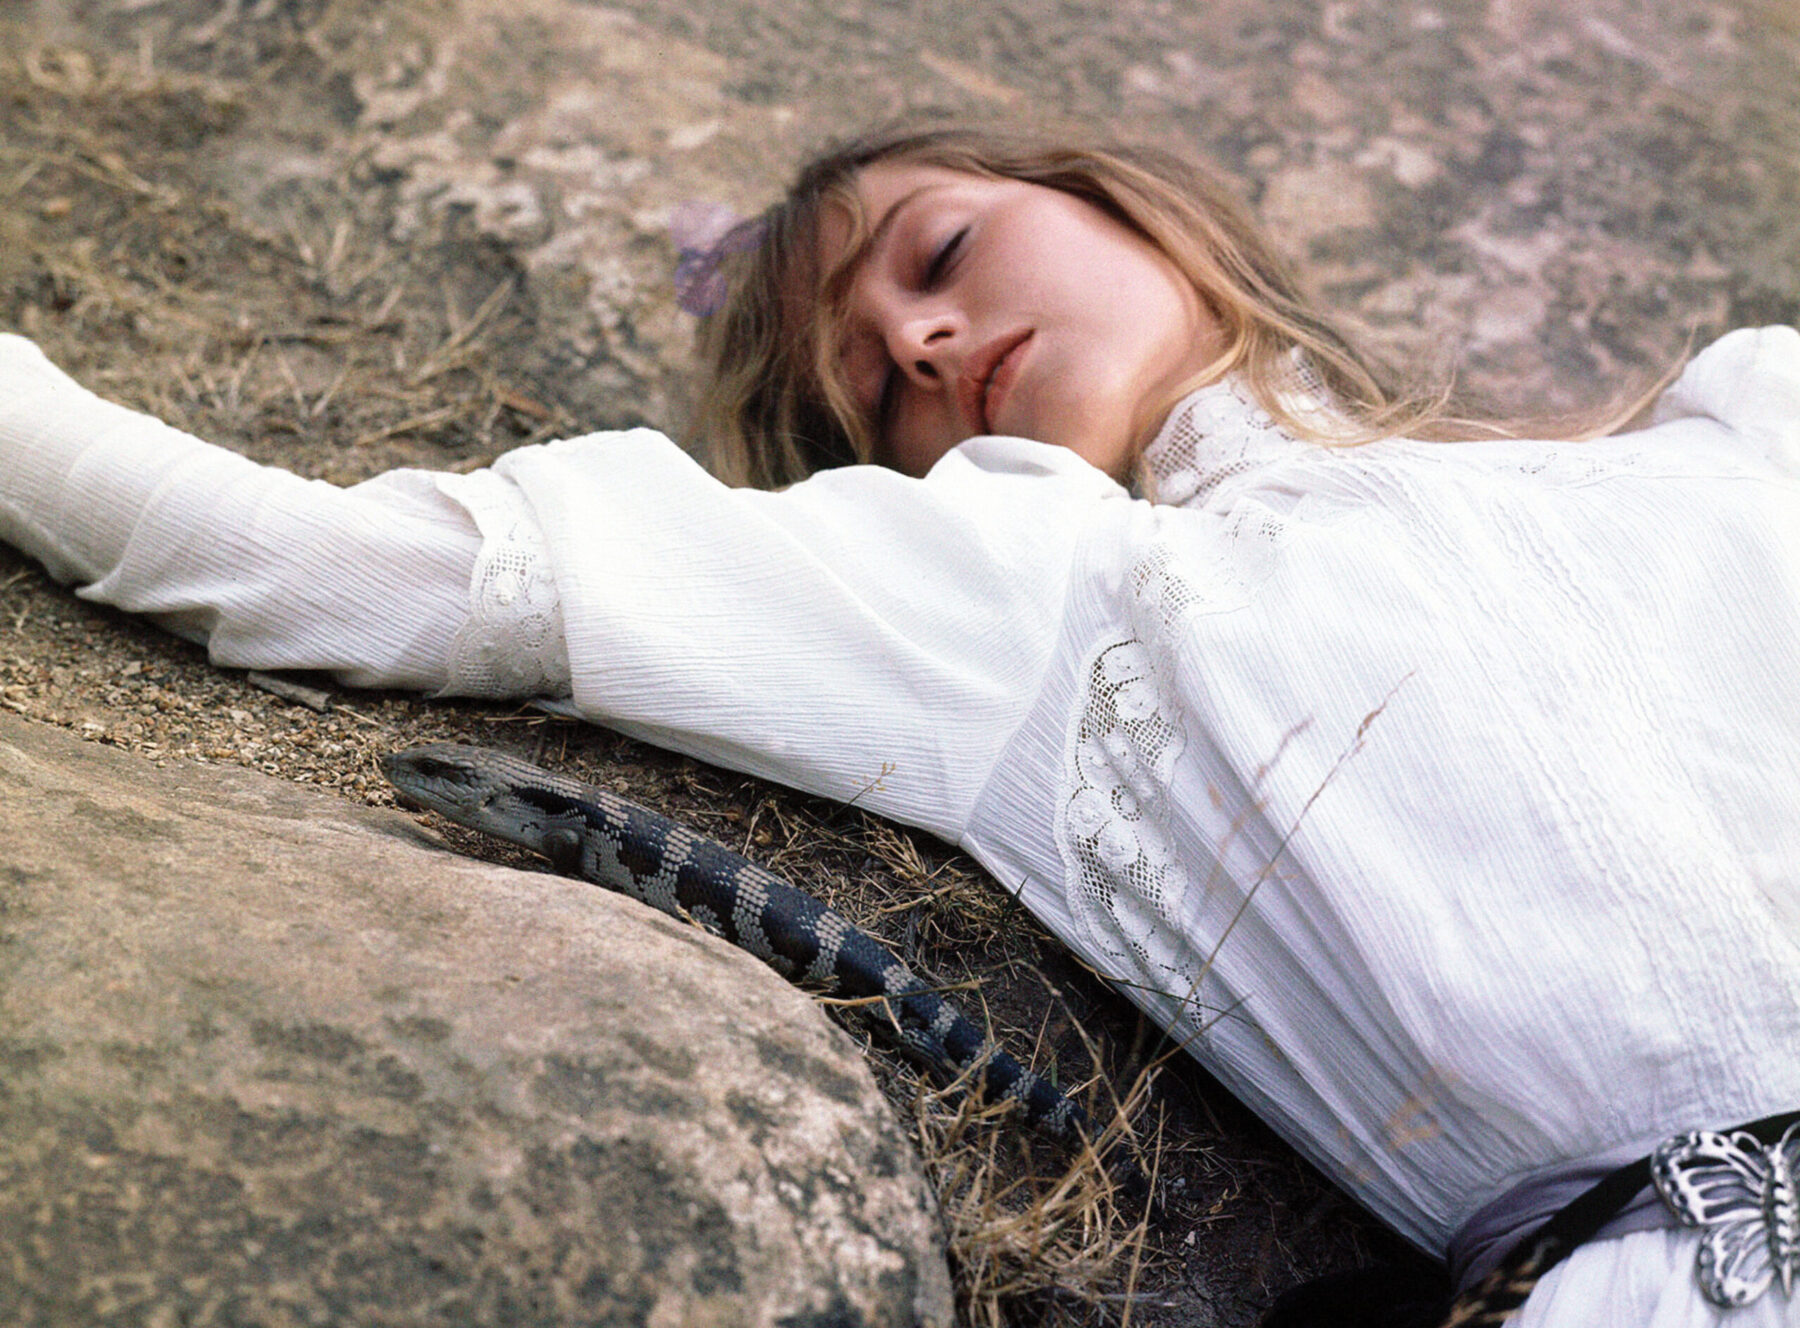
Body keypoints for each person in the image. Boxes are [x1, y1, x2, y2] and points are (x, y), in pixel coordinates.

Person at [2, 120, 1797, 1327]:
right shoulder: (1014, 588)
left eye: (938, 249)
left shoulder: (1739, 425)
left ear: (1122, 200)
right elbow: (331, 569)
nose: (923, 337)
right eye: (870, 387)